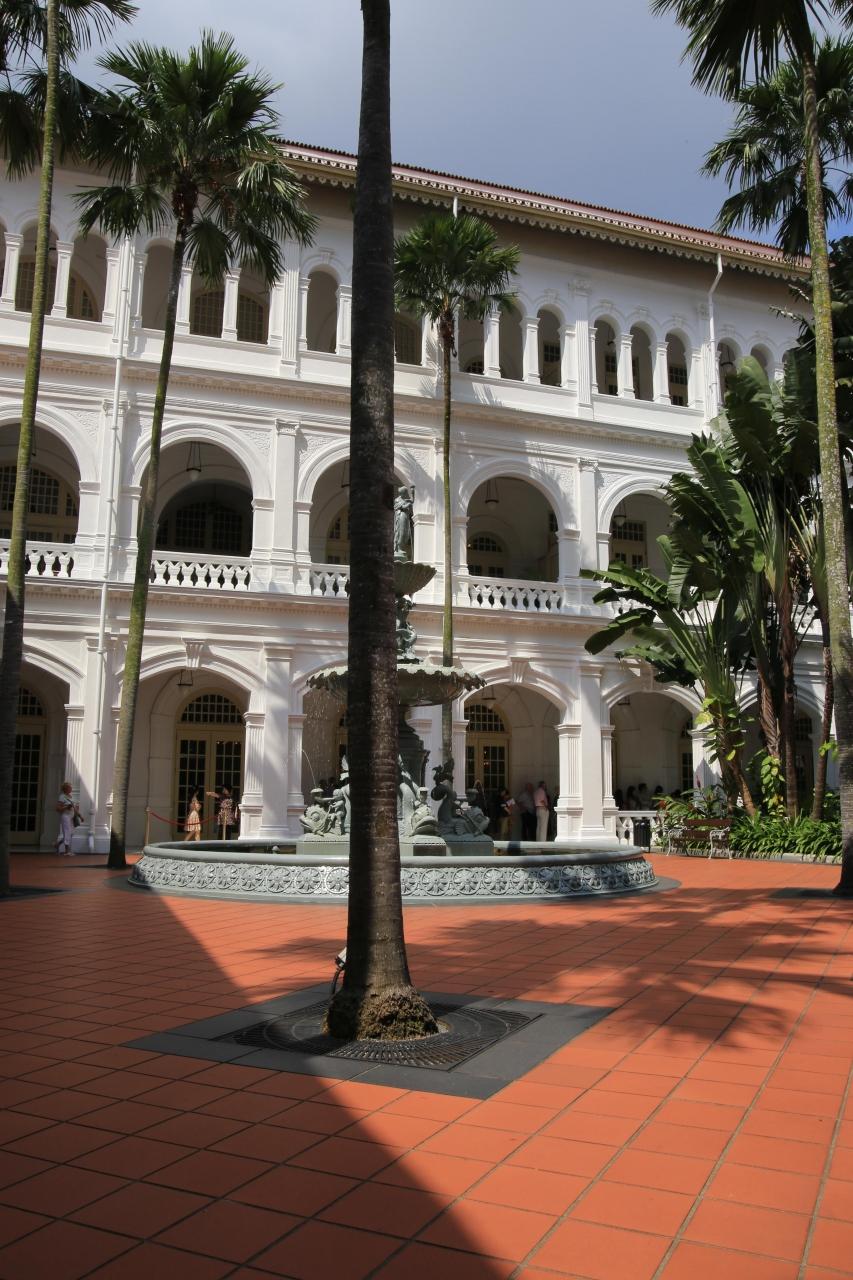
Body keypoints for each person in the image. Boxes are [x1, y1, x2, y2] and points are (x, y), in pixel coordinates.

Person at [55, 781, 78, 856]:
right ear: (66, 789)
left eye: (71, 787)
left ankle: (57, 844)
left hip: (71, 817)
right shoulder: (62, 797)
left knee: (71, 833)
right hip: (65, 817)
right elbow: (58, 808)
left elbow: (74, 807)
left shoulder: (71, 796)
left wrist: (79, 816)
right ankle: (67, 851)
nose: (71, 788)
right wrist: (66, 807)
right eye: (69, 787)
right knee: (67, 833)